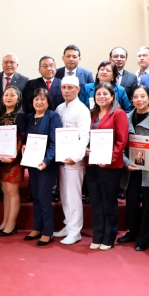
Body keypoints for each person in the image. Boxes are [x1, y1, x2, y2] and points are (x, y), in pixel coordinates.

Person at [117, 85, 149, 251]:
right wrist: (127, 162)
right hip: (132, 168)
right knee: (132, 203)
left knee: (148, 204)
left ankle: (144, 237)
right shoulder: (126, 117)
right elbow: (119, 144)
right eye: (136, 97)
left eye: (143, 96)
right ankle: (132, 232)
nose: (139, 100)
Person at [84, 83, 129, 250]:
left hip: (110, 166)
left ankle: (109, 237)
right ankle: (97, 235)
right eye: (98, 94)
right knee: (95, 201)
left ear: (112, 97)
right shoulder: (92, 114)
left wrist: (110, 158)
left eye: (105, 94)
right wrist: (87, 149)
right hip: (92, 163)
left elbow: (121, 140)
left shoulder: (118, 113)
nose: (101, 96)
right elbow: (87, 137)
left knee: (108, 202)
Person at [50, 76, 91, 245]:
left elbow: (84, 136)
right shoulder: (60, 107)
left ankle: (76, 232)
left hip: (74, 160)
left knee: (73, 196)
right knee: (64, 195)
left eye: (70, 87)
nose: (66, 90)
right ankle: (68, 225)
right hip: (61, 158)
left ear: (78, 89)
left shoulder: (82, 110)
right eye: (64, 87)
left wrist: (75, 157)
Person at [22, 88, 62, 246]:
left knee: (45, 198)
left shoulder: (53, 116)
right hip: (32, 163)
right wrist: (24, 146)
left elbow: (55, 142)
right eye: (36, 99)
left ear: (48, 101)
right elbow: (29, 139)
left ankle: (48, 232)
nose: (39, 102)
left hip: (47, 165)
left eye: (42, 100)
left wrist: (46, 160)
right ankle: (37, 228)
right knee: (36, 197)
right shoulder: (30, 117)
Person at [0, 86, 27, 235]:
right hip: (2, 157)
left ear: (18, 99)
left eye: (12, 95)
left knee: (12, 191)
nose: (8, 97)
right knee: (5, 190)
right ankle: (5, 221)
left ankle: (11, 224)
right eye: (6, 94)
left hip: (14, 160)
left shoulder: (21, 117)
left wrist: (12, 157)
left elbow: (22, 138)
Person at [0, 53, 30, 118]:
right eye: (6, 62)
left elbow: (25, 102)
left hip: (16, 116)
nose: (9, 65)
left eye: (12, 62)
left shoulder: (24, 80)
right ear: (2, 65)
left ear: (17, 65)